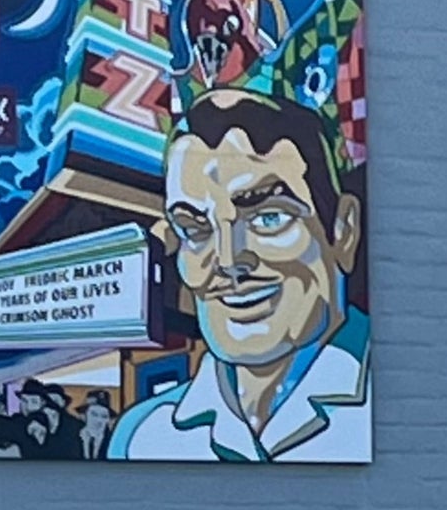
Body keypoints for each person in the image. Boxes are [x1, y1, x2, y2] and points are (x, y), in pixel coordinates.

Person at [111, 90, 368, 462]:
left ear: (343, 232)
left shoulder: (400, 408)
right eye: (195, 230)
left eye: (268, 217)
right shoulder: (142, 435)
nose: (229, 260)